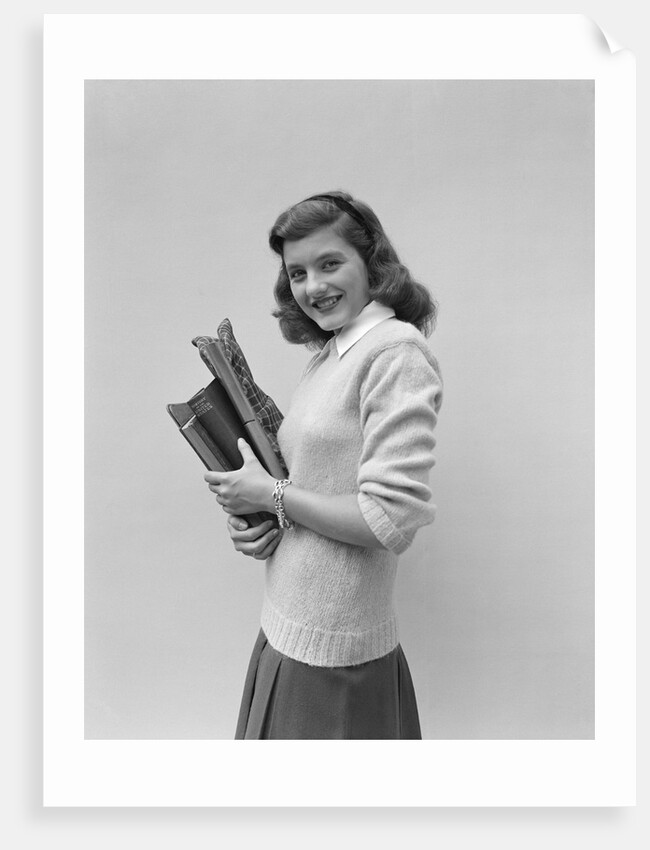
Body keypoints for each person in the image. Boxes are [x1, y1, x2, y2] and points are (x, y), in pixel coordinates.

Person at [204, 191, 443, 739]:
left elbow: (388, 520)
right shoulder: (332, 354)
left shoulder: (395, 355)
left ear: (372, 263)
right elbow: (311, 483)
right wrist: (262, 521)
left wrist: (272, 497)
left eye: (330, 263)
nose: (313, 286)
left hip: (337, 655)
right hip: (288, 625)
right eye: (297, 273)